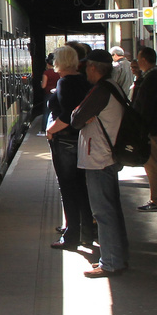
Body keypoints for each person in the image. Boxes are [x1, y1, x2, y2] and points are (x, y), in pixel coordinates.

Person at [62, 52, 130, 278]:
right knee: (112, 210)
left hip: (98, 157)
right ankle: (115, 258)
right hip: (106, 157)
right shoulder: (113, 87)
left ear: (93, 68)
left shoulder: (101, 91)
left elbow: (76, 119)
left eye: (87, 67)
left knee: (103, 212)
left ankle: (110, 262)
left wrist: (79, 114)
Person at [43, 45, 97, 252]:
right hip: (80, 140)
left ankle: (72, 235)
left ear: (60, 62)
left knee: (68, 188)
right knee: (81, 188)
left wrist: (51, 130)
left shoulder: (65, 82)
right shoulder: (84, 80)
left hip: (65, 141)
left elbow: (68, 115)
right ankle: (87, 233)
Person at [130, 45, 157, 211]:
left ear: (143, 60)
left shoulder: (151, 79)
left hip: (151, 128)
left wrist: (141, 128)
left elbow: (146, 106)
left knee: (152, 164)